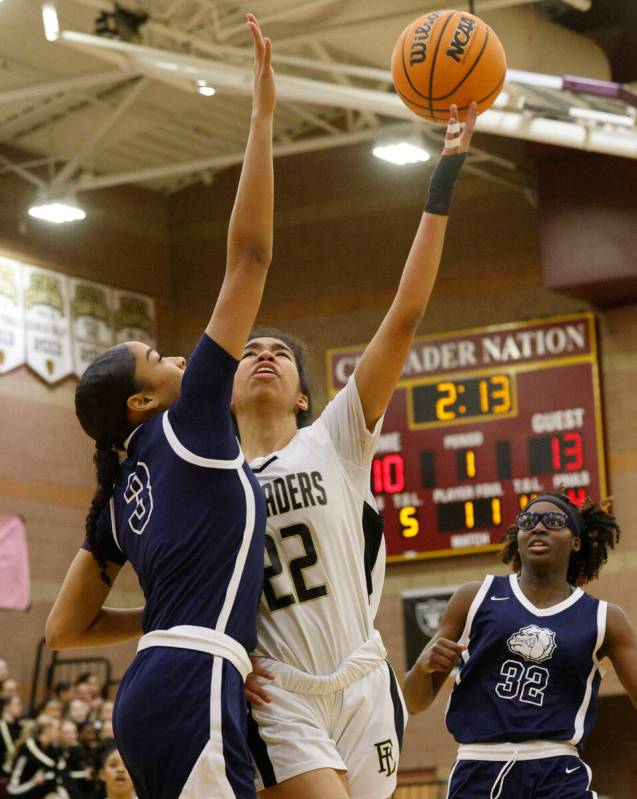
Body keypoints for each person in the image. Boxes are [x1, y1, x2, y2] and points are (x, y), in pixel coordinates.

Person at [45, 13, 275, 799]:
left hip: (157, 689)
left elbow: (63, 628)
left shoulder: (119, 498)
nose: (180, 355)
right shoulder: (191, 420)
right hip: (188, 686)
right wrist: (261, 118)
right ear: (144, 400)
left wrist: (160, 629)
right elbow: (249, 256)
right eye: (158, 358)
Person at [234, 104, 477, 799]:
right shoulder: (213, 477)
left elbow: (404, 312)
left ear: (305, 396)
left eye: (280, 352)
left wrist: (445, 176)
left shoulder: (335, 438)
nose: (264, 356)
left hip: (364, 678)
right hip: (278, 691)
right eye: (249, 350)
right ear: (224, 392)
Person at [403, 492, 637, 799]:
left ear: (576, 542)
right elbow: (412, 703)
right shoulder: (475, 596)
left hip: (557, 770)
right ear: (519, 536)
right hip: (478, 768)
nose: (539, 528)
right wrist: (423, 667)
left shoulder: (605, 618)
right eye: (528, 521)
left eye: (553, 521)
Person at [7, 716, 66, 798]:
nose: (60, 733)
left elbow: (57, 778)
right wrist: (33, 782)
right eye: (57, 729)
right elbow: (13, 788)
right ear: (46, 730)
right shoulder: (26, 750)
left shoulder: (52, 750)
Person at [1, 695, 24, 775]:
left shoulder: (19, 725)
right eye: (17, 705)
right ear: (6, 707)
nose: (21, 708)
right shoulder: (2, 725)